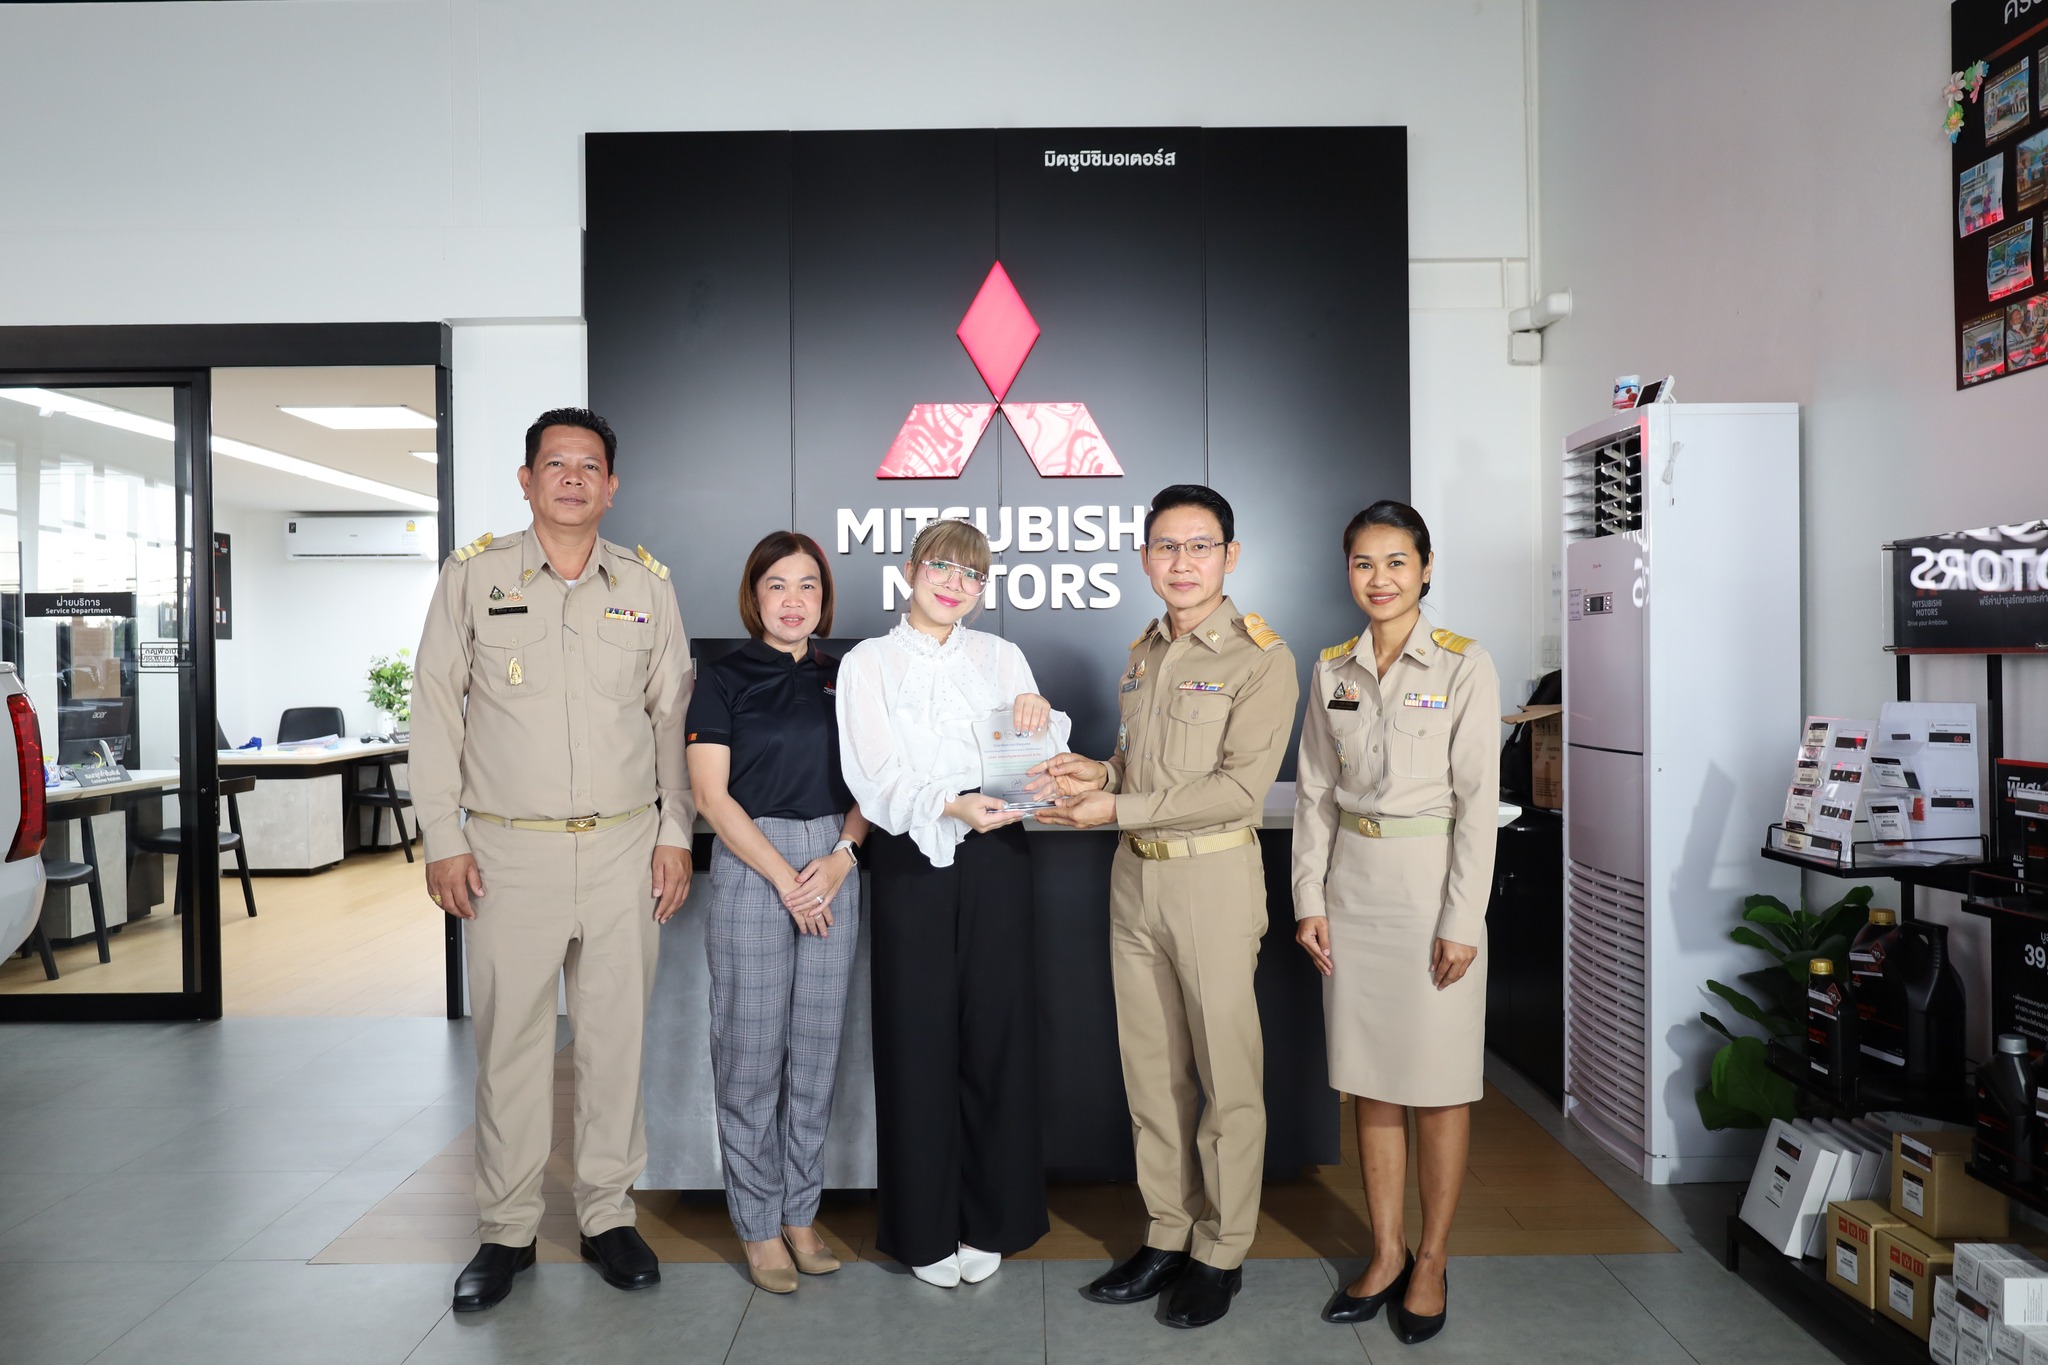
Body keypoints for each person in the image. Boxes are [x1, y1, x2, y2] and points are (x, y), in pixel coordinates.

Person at [413, 407, 694, 1313]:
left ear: (612, 486)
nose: (573, 477)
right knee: (510, 1046)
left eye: (589, 466)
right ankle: (507, 1228)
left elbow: (671, 719)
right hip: (508, 849)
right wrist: (444, 836)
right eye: (556, 463)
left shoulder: (646, 586)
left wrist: (675, 831)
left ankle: (608, 1214)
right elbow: (434, 709)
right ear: (526, 479)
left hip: (624, 846)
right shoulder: (473, 578)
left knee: (614, 1041)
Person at [1032, 484, 1299, 1330]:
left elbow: (1237, 790)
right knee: (1153, 1074)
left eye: (1199, 545)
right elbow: (1137, 763)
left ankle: (1222, 1248)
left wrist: (1116, 805)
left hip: (1210, 878)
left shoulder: (1261, 657)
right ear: (1144, 556)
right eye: (1165, 546)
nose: (1182, 562)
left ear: (1230, 555)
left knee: (1226, 1075)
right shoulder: (1145, 650)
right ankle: (1167, 1231)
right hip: (1135, 879)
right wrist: (1097, 772)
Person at [1291, 500, 1498, 1345]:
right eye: (1363, 563)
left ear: (1426, 566)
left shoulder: (1463, 663)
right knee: (1370, 1078)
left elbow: (1478, 802)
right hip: (1353, 890)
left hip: (1431, 892)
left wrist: (1463, 917)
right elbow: (1313, 792)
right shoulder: (1331, 668)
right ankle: (1384, 1252)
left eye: (1396, 561)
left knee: (1439, 1084)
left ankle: (1433, 1258)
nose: (1379, 579)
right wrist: (1309, 898)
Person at [835, 518, 1061, 1289]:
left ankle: (992, 1217)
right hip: (912, 854)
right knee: (916, 1036)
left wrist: (1038, 717)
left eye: (971, 574)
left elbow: (1036, 755)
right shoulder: (869, 662)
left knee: (997, 1033)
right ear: (910, 570)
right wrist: (949, 802)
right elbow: (873, 772)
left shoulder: (1001, 655)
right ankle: (925, 1226)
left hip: (998, 852)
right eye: (941, 567)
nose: (954, 584)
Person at [687, 531, 870, 1294]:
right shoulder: (722, 678)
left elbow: (877, 780)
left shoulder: (850, 676)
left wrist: (842, 856)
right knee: (751, 1054)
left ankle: (800, 1212)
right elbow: (710, 795)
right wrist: (785, 878)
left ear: (824, 599)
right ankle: (758, 1223)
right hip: (753, 864)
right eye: (777, 585)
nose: (793, 601)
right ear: (753, 594)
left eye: (808, 586)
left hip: (833, 863)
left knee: (817, 1052)